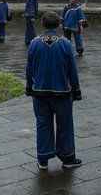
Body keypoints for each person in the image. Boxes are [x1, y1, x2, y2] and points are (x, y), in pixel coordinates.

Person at [25, 12, 82, 170]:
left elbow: (29, 68)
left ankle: (43, 158)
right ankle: (68, 157)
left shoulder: (34, 43)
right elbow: (72, 70)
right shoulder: (65, 43)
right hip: (62, 91)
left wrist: (29, 86)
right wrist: (76, 89)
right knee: (65, 125)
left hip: (40, 91)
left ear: (42, 24)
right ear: (59, 25)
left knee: (43, 124)